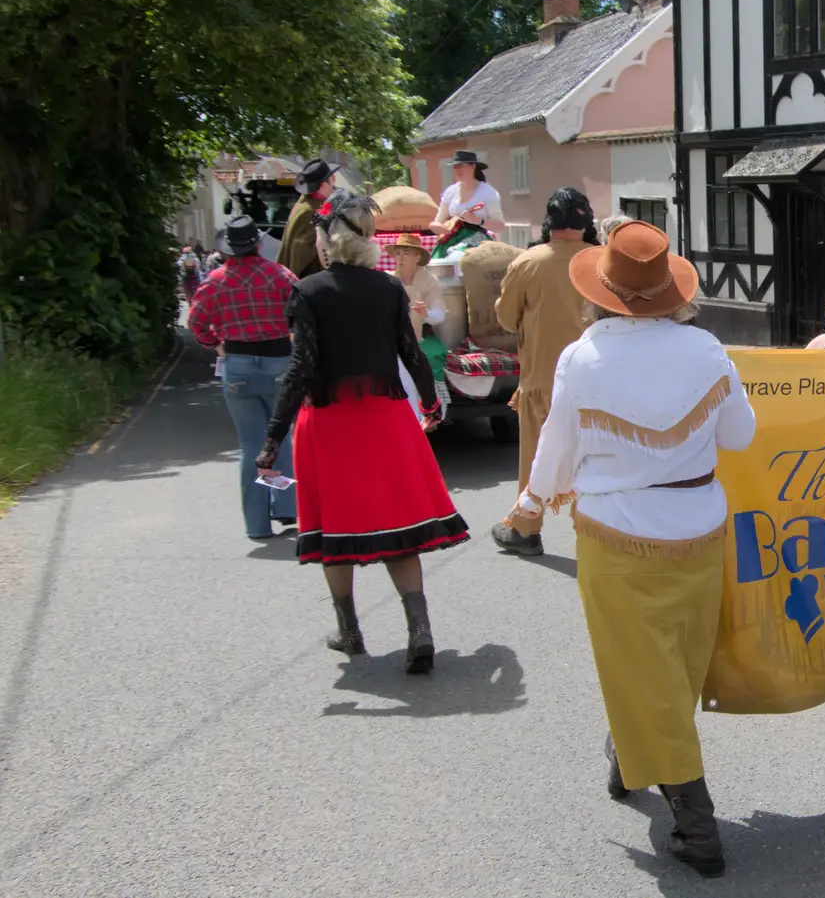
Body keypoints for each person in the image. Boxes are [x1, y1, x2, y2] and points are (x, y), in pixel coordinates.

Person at [515, 220, 756, 878]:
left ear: (603, 292)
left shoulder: (583, 356)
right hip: (697, 528)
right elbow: (740, 434)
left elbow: (557, 447)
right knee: (671, 662)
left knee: (640, 663)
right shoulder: (706, 348)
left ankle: (697, 821)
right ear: (671, 292)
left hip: (616, 533)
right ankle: (632, 751)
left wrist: (533, 501)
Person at [255, 192, 468, 675]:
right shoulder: (389, 290)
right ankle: (420, 629)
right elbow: (412, 355)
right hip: (387, 417)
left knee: (335, 528)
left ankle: (349, 630)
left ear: (327, 241)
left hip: (328, 423)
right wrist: (431, 403)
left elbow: (300, 369)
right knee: (402, 527)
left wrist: (272, 438)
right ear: (370, 242)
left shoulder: (307, 292)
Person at [489, 187, 599, 555]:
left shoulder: (528, 261)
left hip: (542, 380)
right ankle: (595, 531)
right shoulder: (601, 260)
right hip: (597, 379)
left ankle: (525, 528)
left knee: (535, 456)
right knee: (593, 457)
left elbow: (505, 319)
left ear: (549, 221)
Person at [188, 216, 299, 540]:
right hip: (278, 359)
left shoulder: (216, 280)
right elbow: (301, 310)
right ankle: (287, 505)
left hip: (237, 363)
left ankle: (257, 524)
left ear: (228, 249)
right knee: (282, 437)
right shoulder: (279, 275)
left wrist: (215, 344)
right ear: (259, 244)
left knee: (251, 443)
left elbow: (196, 323)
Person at [389, 233, 447, 421]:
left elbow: (439, 314)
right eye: (397, 253)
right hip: (391, 345)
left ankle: (432, 413)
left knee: (424, 369)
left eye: (406, 253)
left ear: (417, 257)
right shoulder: (387, 280)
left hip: (416, 341)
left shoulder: (429, 280)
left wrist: (426, 314)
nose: (400, 258)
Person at [430, 150, 505, 259]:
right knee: (435, 263)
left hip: (477, 238)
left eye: (460, 165)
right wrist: (435, 226)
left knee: (456, 258)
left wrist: (477, 220)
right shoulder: (450, 192)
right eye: (455, 166)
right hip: (451, 238)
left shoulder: (489, 193)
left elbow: (500, 226)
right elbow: (438, 221)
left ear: (472, 166)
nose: (457, 169)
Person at [278, 159, 341, 279]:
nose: (334, 185)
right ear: (323, 185)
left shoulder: (315, 203)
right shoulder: (307, 210)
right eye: (332, 180)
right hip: (310, 278)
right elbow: (299, 256)